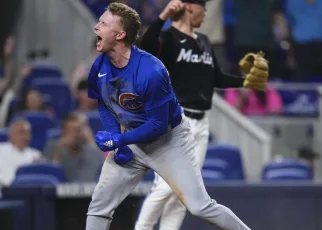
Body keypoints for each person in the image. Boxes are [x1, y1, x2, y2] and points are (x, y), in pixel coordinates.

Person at [86, 2, 267, 230]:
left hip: (168, 139)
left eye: (103, 23)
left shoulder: (152, 70)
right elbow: (104, 102)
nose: (96, 27)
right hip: (133, 136)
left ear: (120, 34)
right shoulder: (101, 65)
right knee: (99, 206)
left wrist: (119, 140)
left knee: (198, 206)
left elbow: (159, 125)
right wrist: (117, 139)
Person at [0, 119, 42, 185]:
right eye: (21, 132)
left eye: (28, 133)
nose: (26, 136)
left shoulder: (36, 155)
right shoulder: (1, 149)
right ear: (10, 135)